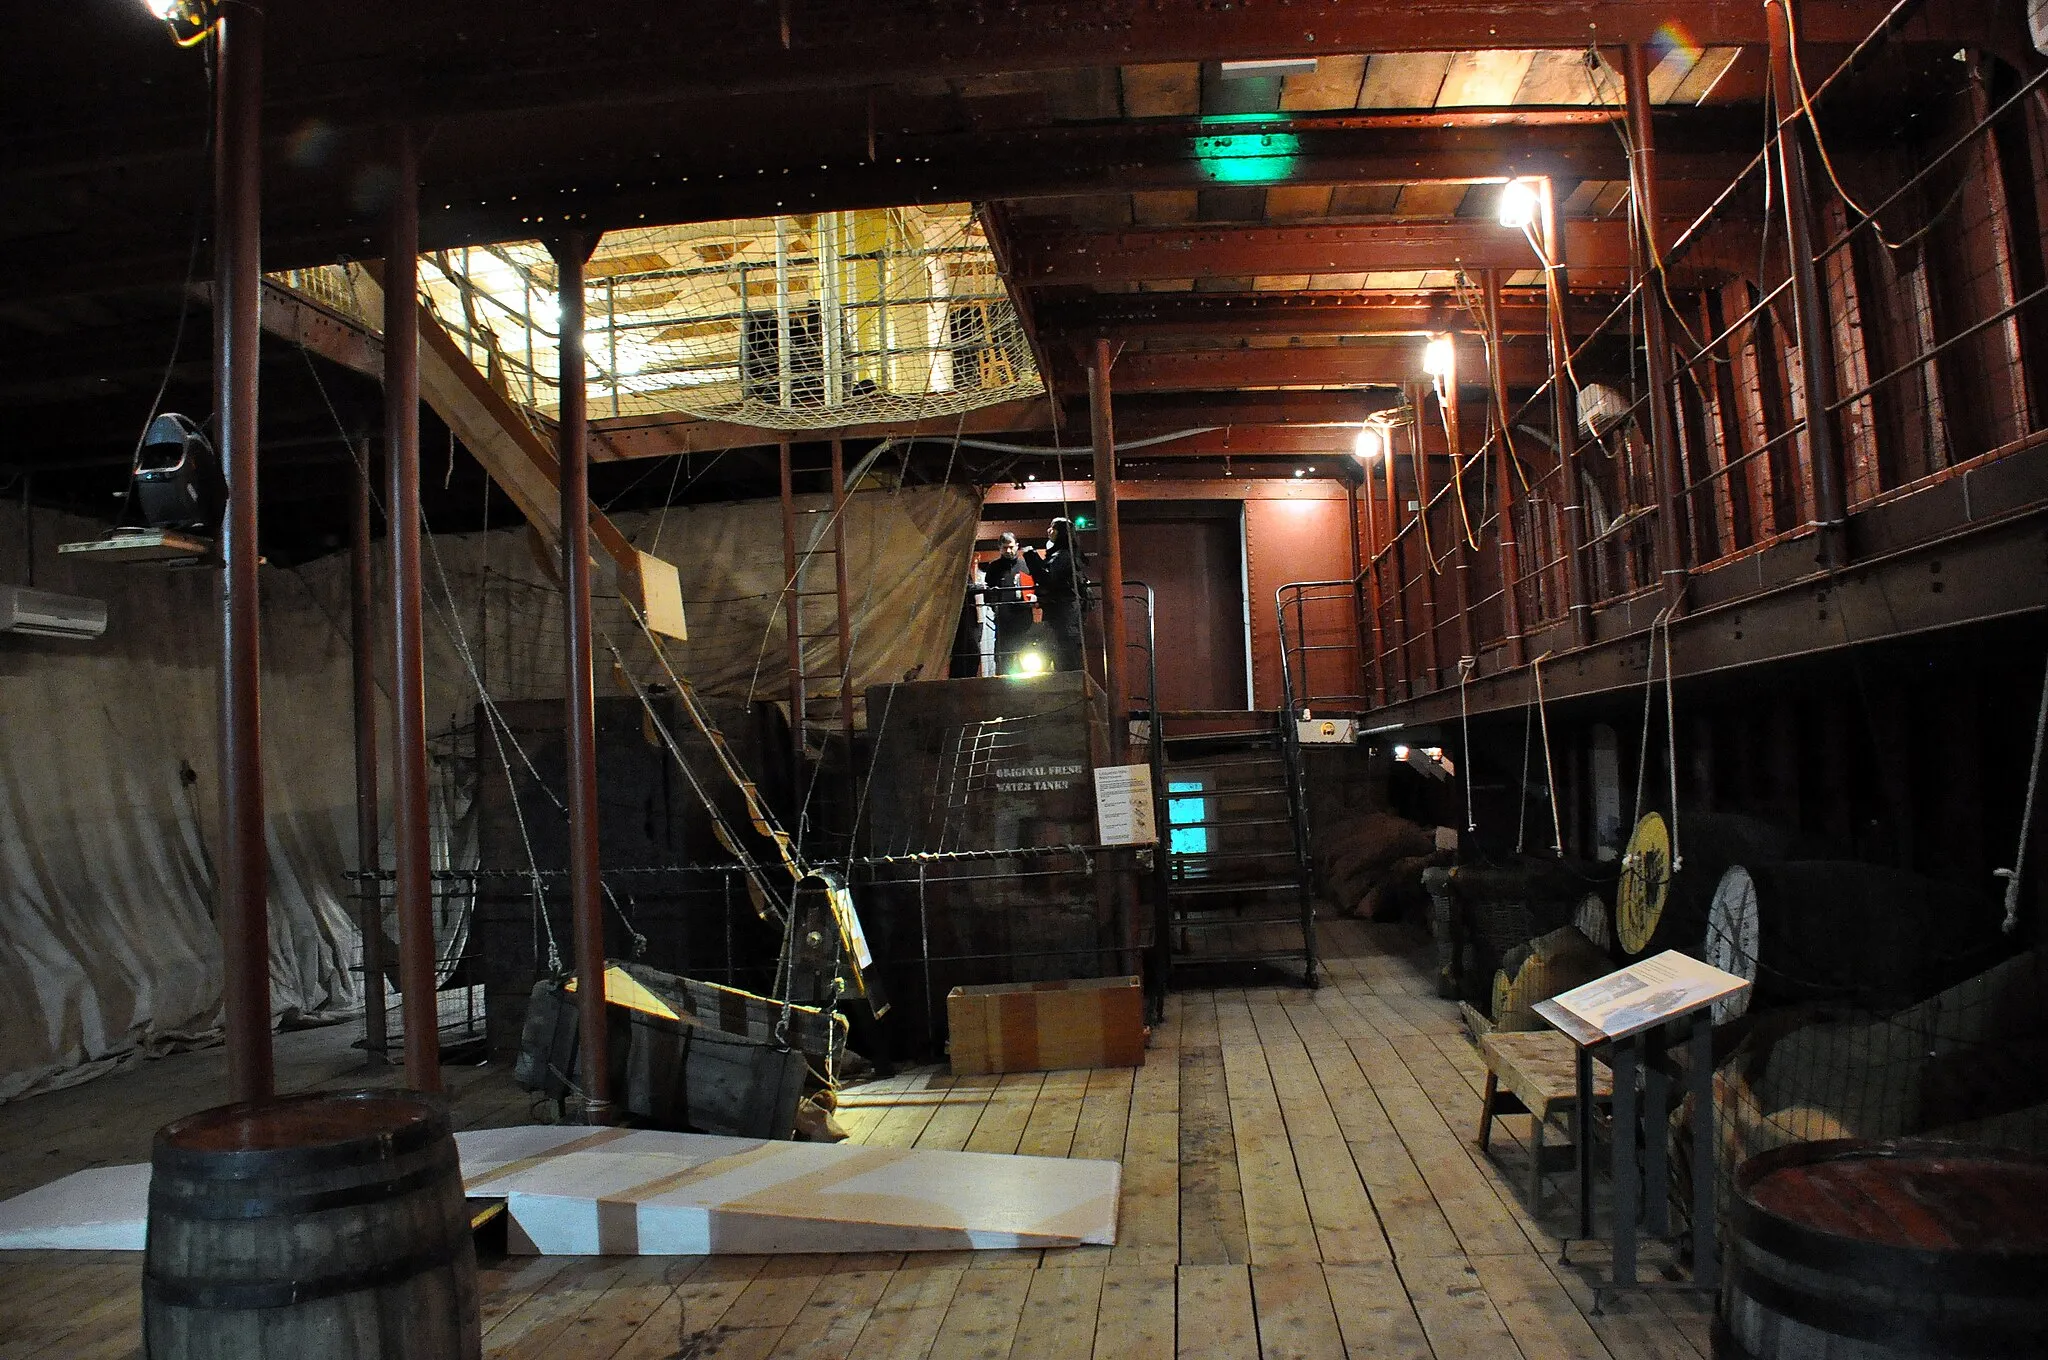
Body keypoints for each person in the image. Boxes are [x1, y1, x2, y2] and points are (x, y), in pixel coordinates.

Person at [1025, 518, 1087, 673]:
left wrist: (1031, 556)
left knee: (1065, 658)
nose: (1049, 531)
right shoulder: (1067, 554)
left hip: (1063, 615)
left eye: (1053, 528)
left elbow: (1047, 580)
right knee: (1062, 656)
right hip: (1063, 613)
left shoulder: (1064, 555)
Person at [979, 532, 1036, 674]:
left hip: (1024, 621)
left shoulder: (1026, 566)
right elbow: (988, 594)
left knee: (1027, 659)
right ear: (999, 548)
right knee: (1003, 660)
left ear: (1017, 546)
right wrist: (996, 607)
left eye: (1011, 547)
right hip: (1003, 622)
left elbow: (1036, 589)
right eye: (1005, 548)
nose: (1008, 551)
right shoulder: (993, 567)